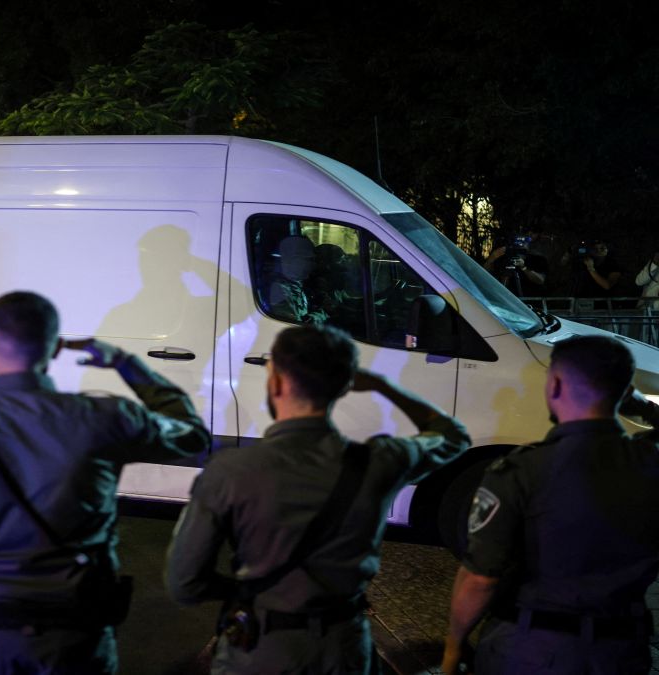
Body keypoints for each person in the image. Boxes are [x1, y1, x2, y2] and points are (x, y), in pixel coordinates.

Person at [0, 290, 211, 674]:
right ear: (56, 346)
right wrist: (128, 365)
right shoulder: (103, 418)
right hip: (72, 642)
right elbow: (192, 434)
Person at [165, 323, 470, 675]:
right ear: (344, 386)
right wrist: (384, 387)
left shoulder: (231, 471)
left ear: (276, 382)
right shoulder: (380, 462)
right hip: (343, 648)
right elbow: (452, 436)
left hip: (260, 647)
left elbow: (184, 584)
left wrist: (246, 590)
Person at [442, 335, 659, 675]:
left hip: (534, 648)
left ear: (556, 384)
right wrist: (639, 405)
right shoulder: (649, 464)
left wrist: (454, 645)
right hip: (622, 650)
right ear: (624, 392)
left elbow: (480, 578)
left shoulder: (523, 470)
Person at [266, 235, 327, 325]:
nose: (313, 264)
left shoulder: (300, 284)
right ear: (291, 260)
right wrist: (321, 315)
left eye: (313, 259)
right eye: (308, 259)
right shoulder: (278, 290)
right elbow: (294, 328)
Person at [484, 232, 549, 297]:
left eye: (524, 241)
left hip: (529, 303)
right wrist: (492, 257)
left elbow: (541, 280)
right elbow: (484, 274)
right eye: (517, 241)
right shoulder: (503, 257)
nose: (520, 244)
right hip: (505, 301)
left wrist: (524, 268)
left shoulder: (537, 259)